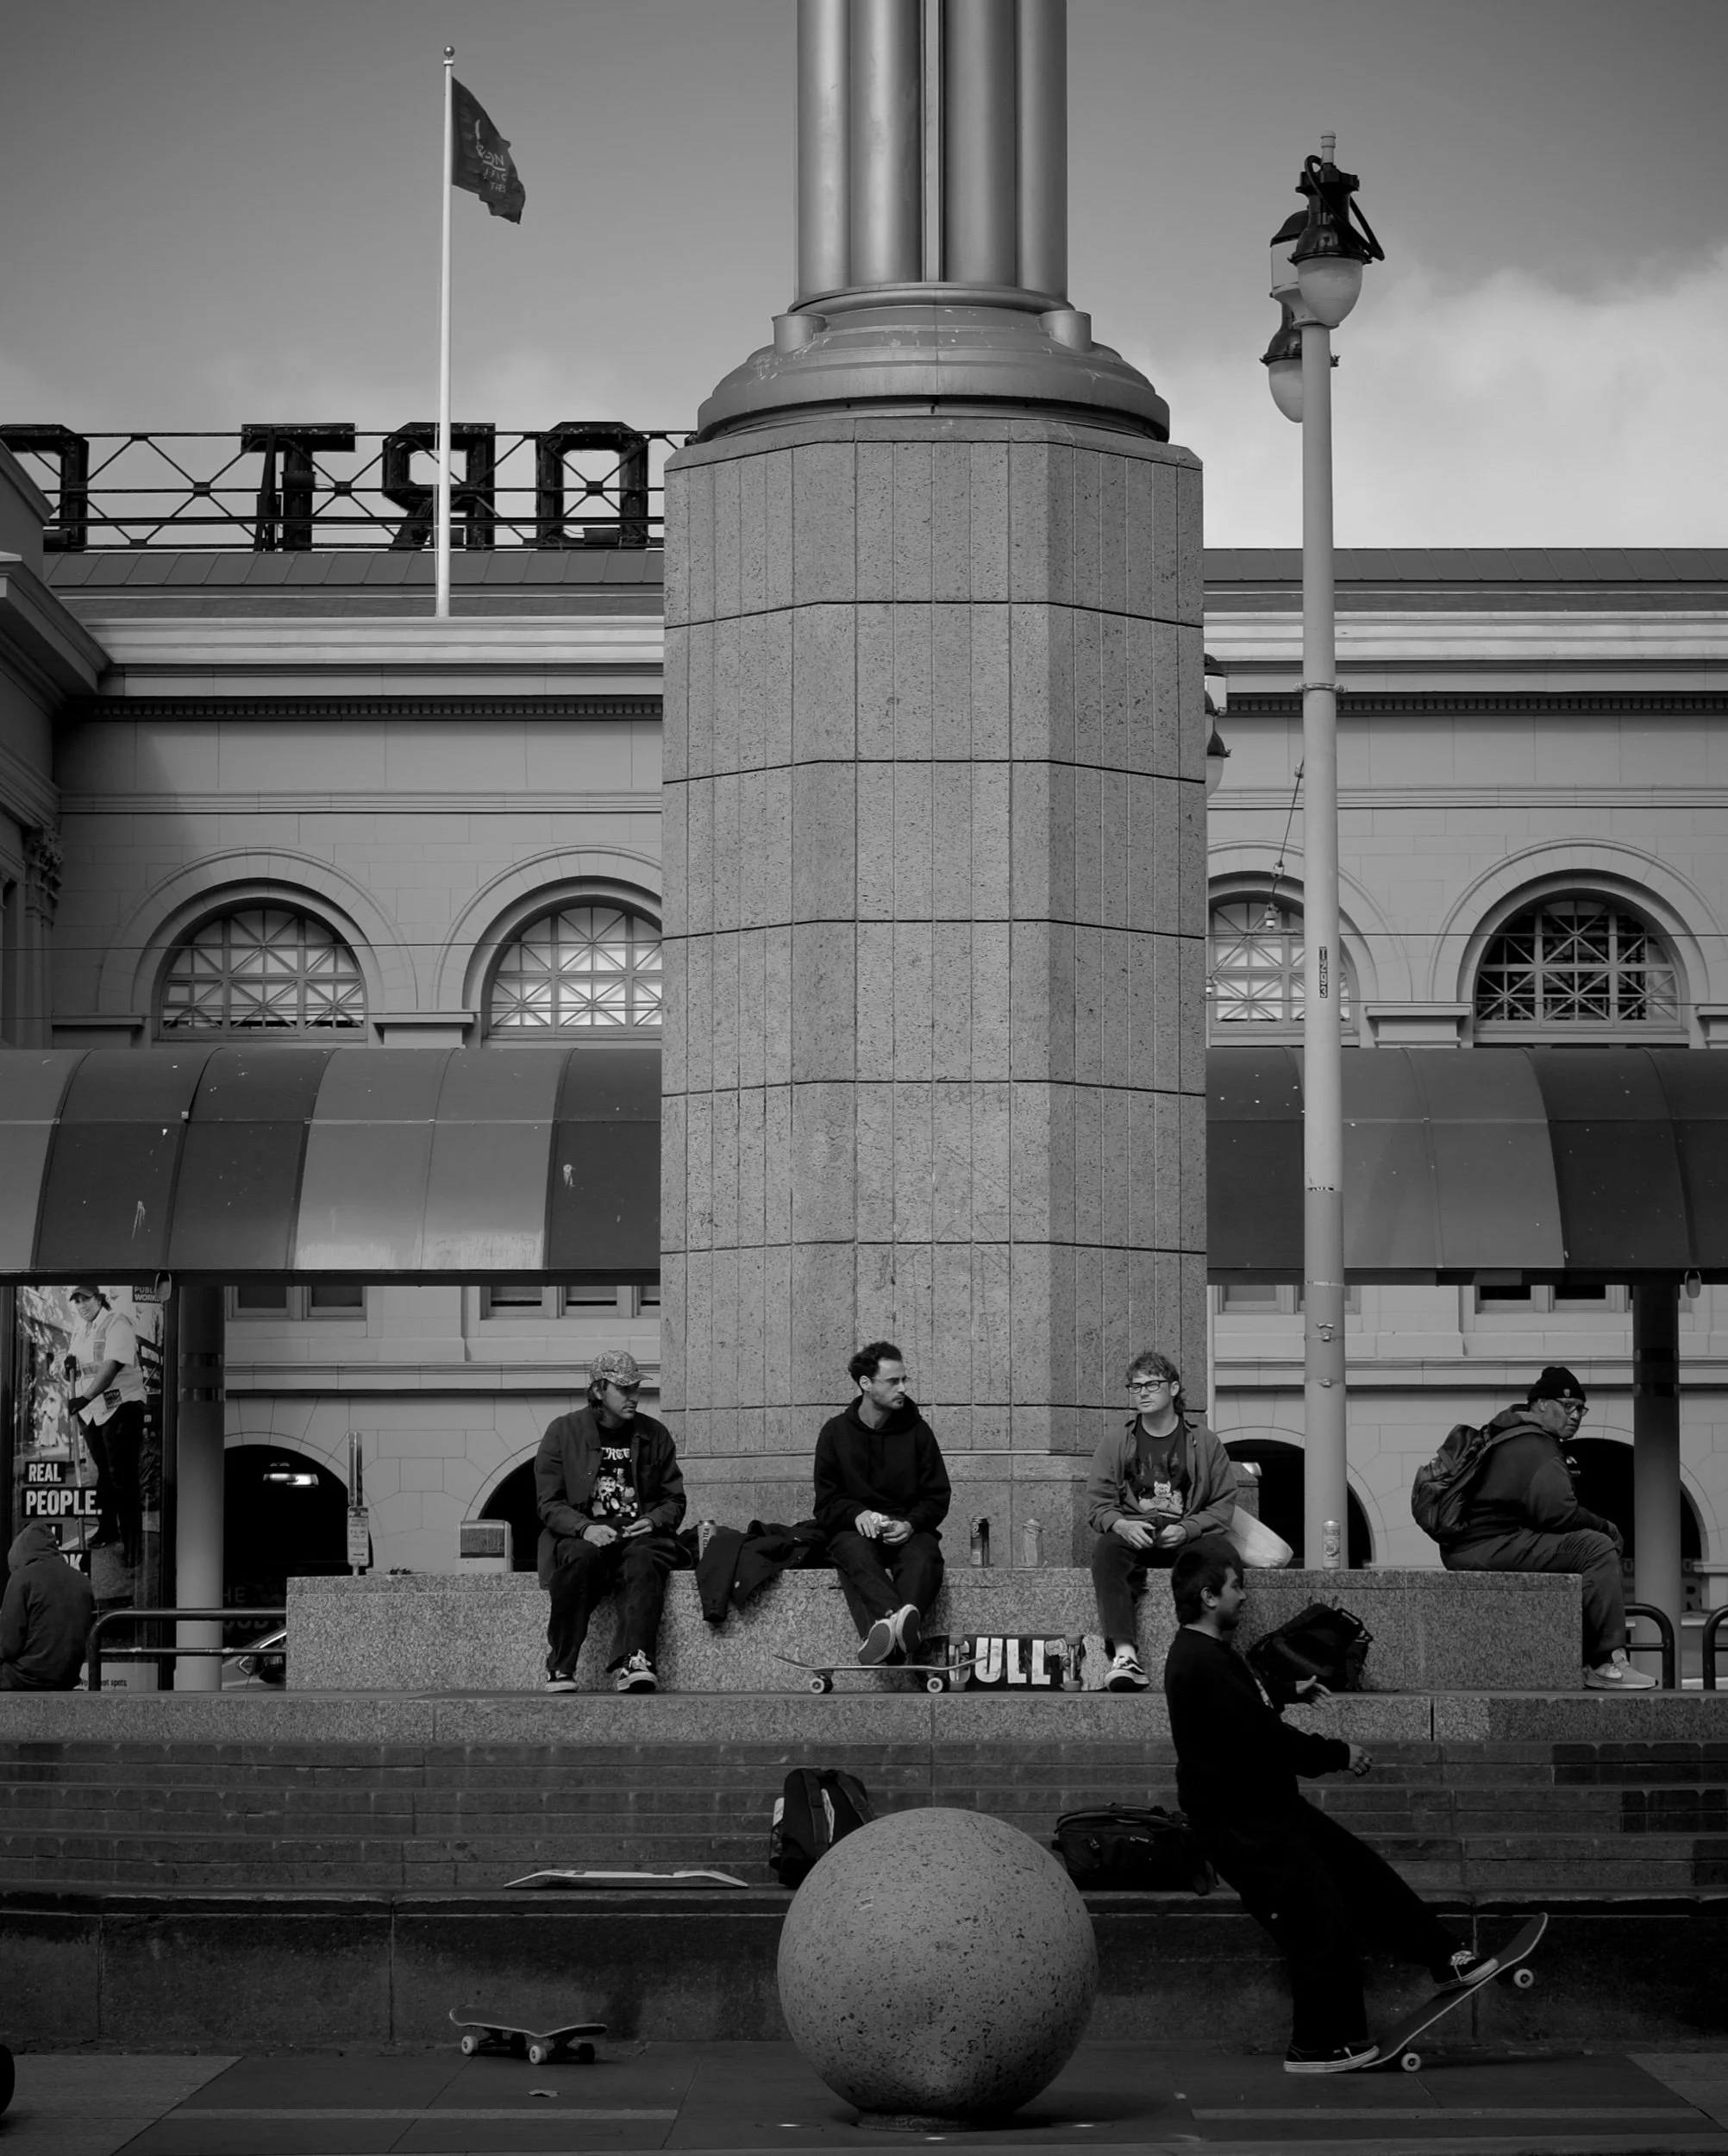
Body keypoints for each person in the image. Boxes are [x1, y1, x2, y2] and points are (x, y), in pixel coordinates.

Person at [1164, 1541, 1495, 2073]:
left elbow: (1244, 1701)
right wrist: (1337, 1752)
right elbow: (1261, 1737)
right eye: (1235, 1586)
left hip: (1269, 1807)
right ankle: (1319, 2046)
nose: (1243, 1596)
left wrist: (1286, 1687)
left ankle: (1445, 1959)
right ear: (1208, 1596)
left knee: (1360, 1873)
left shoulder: (1210, 1654)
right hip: (1240, 1824)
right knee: (1315, 1919)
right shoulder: (1196, 1659)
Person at [1443, 1364, 1655, 1691]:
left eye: (1581, 1408)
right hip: (1487, 1545)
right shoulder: (1534, 1444)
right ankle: (1605, 1662)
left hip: (1473, 1544)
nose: (1575, 1416)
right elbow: (1559, 1513)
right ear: (1541, 1405)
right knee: (1595, 1547)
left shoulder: (1505, 1431)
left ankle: (1580, 1651)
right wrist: (1607, 1528)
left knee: (1576, 1548)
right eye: (1567, 1406)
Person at [1086, 1349, 1241, 1692]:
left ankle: (1209, 1654)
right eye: (1135, 1386)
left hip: (1185, 1534)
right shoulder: (1115, 1442)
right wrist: (1121, 1524)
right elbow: (1098, 1504)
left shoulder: (1205, 1442)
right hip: (1135, 1533)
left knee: (1222, 1555)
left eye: (1152, 1385)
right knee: (1107, 1549)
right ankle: (1125, 1657)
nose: (1142, 1392)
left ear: (1173, 1389)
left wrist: (1188, 1528)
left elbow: (1222, 1504)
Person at [534, 1349, 686, 1695]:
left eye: (636, 1388)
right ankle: (560, 1666)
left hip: (639, 1537)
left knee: (645, 1562)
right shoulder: (563, 1431)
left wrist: (652, 1520)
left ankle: (637, 1660)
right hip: (583, 1535)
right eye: (624, 1389)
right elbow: (548, 1503)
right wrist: (586, 1528)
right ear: (599, 1390)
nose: (634, 1397)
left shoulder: (654, 1434)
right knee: (579, 1560)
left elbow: (674, 1498)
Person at [813, 1342, 951, 1665]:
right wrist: (855, 1513)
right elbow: (826, 1503)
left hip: (907, 1527)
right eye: (893, 1381)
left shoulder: (919, 1432)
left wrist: (911, 1523)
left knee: (925, 1555)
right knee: (852, 1551)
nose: (902, 1388)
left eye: (904, 1380)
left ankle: (885, 1633)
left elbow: (937, 1496)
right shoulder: (834, 1433)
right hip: (855, 1530)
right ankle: (899, 1627)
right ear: (866, 1384)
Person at [63, 1284, 147, 1562]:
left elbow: (111, 1366)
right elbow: (78, 1367)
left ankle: (134, 1547)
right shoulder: (80, 1330)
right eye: (76, 1300)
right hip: (93, 1411)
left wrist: (83, 1398)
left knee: (123, 1479)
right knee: (104, 1477)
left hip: (120, 1406)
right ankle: (108, 1530)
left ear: (98, 1299)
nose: (80, 1305)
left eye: (85, 1299)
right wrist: (66, 1366)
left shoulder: (116, 1323)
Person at [0, 1522, 94, 1692]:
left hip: (26, 1677)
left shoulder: (22, 1578)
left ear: (19, 1553)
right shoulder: (82, 1581)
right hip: (67, 1678)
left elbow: (8, 1646)